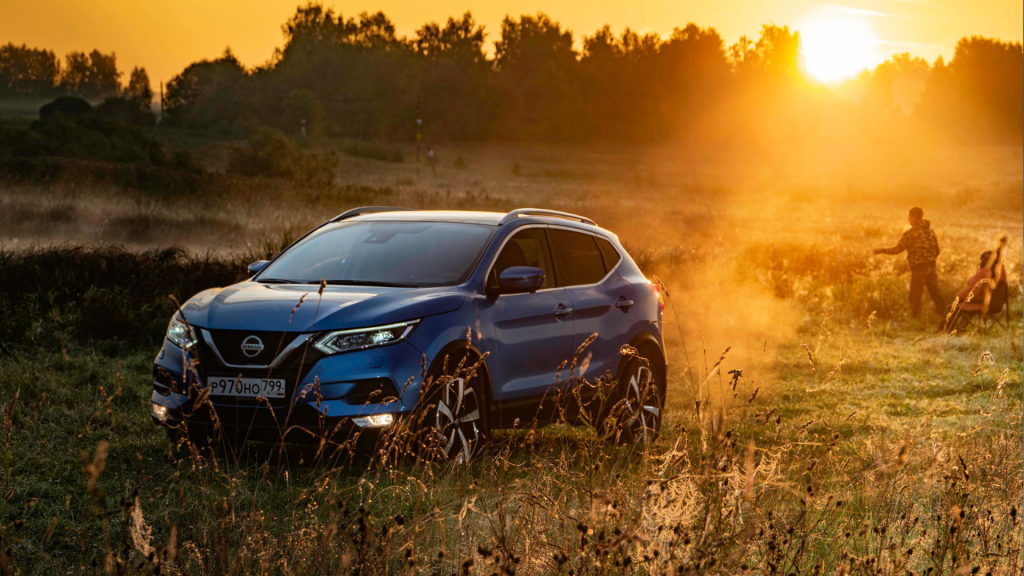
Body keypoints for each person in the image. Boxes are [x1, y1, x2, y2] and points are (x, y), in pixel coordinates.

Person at [873, 206, 945, 319]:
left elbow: (897, 249)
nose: (909, 220)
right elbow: (937, 250)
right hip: (931, 266)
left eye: (910, 217)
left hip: (919, 267)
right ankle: (945, 316)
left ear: (914, 218)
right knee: (936, 294)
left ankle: (915, 319)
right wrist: (929, 259)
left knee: (915, 295)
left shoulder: (910, 233)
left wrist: (881, 251)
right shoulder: (931, 232)